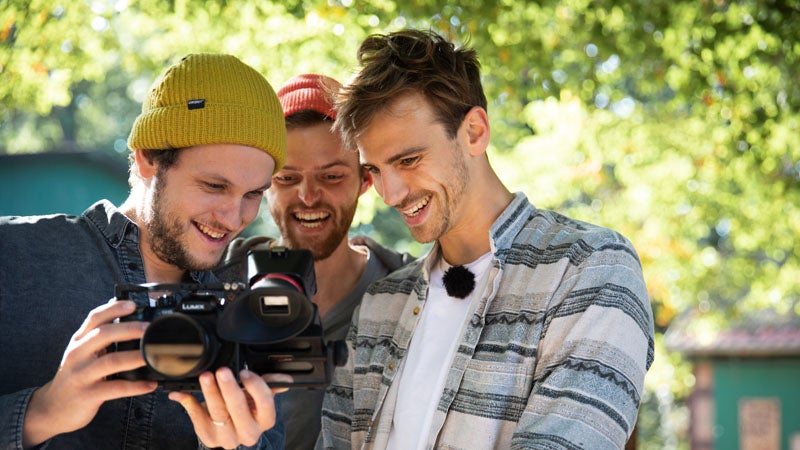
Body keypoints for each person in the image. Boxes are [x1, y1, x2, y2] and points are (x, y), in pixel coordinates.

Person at [317, 29, 655, 449]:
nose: (391, 194)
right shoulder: (381, 305)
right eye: (376, 171)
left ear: (475, 131)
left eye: (409, 160)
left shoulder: (591, 270)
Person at [0, 53, 289, 449]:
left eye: (253, 194)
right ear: (148, 157)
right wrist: (41, 412)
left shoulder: (248, 317)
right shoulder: (12, 258)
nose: (234, 217)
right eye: (214, 186)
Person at [219, 73, 414, 450]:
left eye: (332, 175)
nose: (309, 197)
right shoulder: (217, 276)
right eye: (288, 178)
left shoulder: (415, 294)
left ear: (365, 180)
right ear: (263, 185)